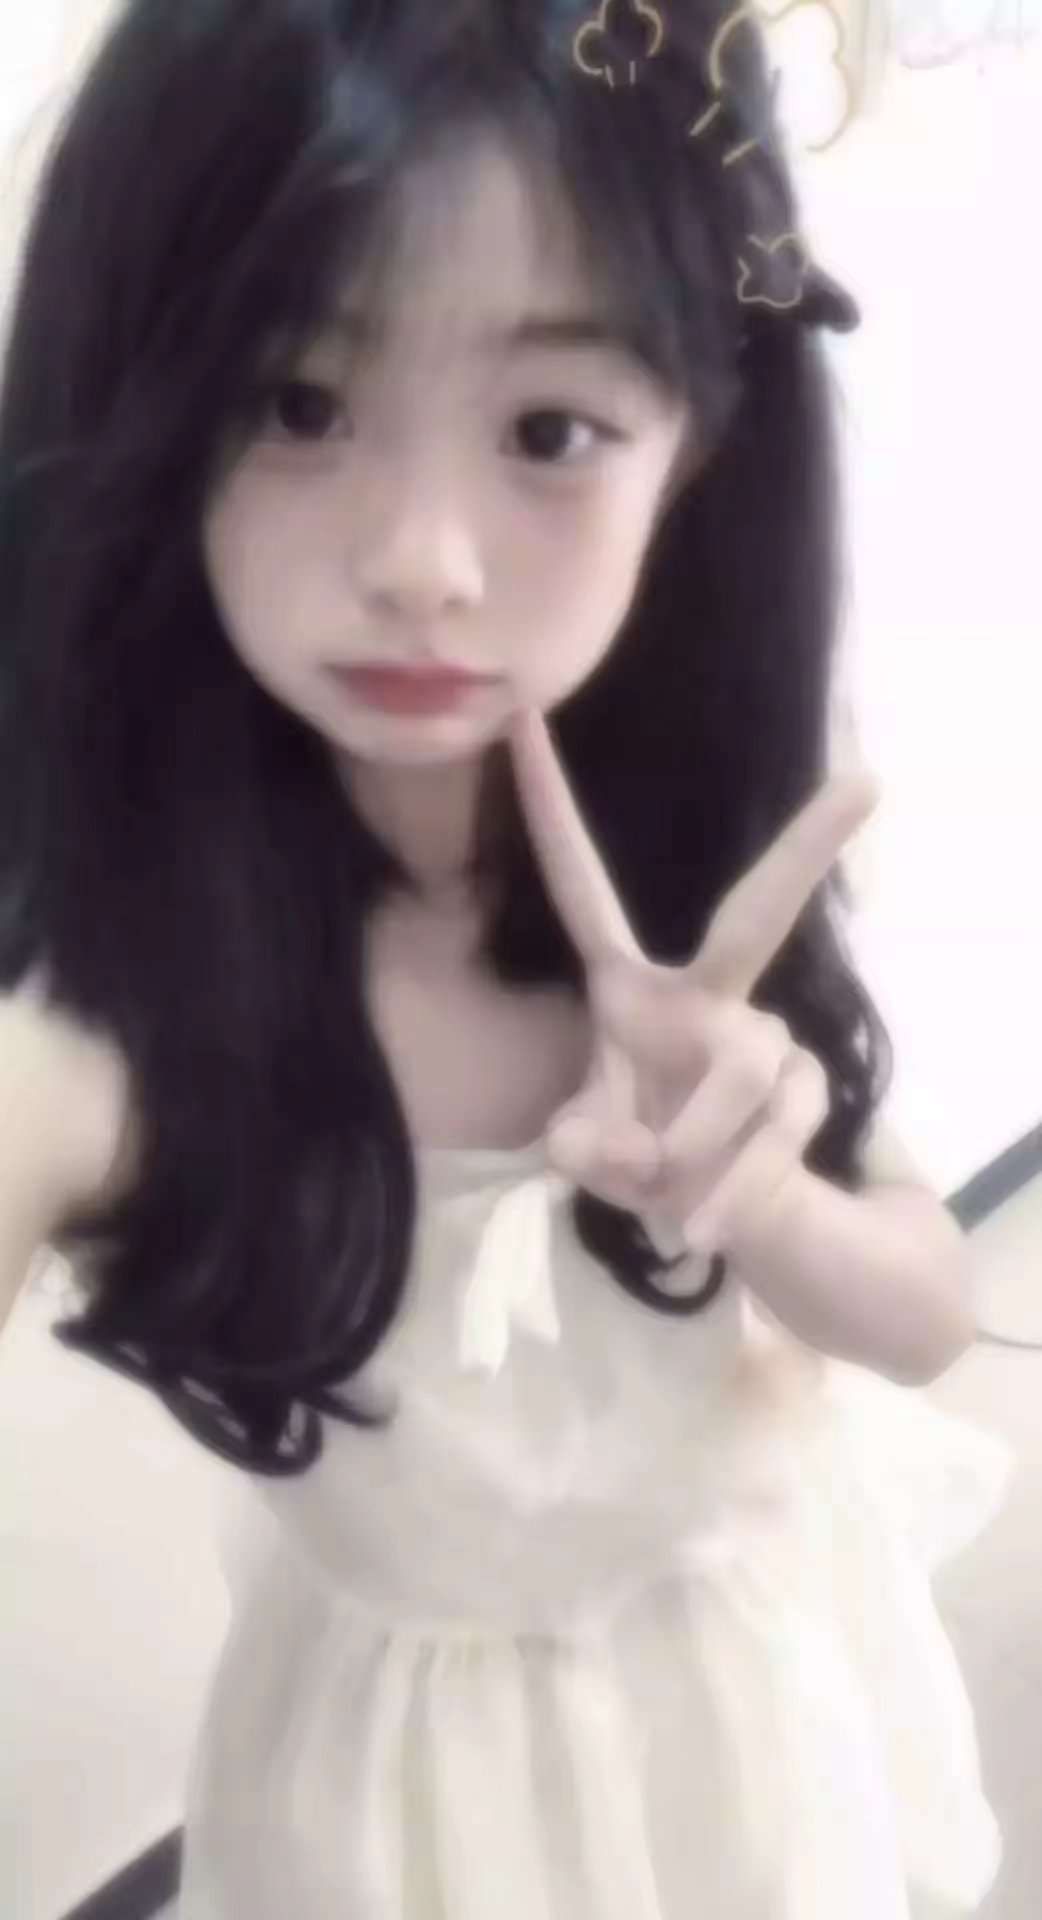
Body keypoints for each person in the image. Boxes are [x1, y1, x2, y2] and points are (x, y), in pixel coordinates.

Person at [0, 2, 1012, 1914]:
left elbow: (923, 1321)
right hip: (394, 1804)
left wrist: (753, 1196)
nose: (424, 562)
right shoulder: (102, 1026)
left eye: (549, 430)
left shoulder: (702, 900)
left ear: (690, 455)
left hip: (753, 1696)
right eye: (297, 404)